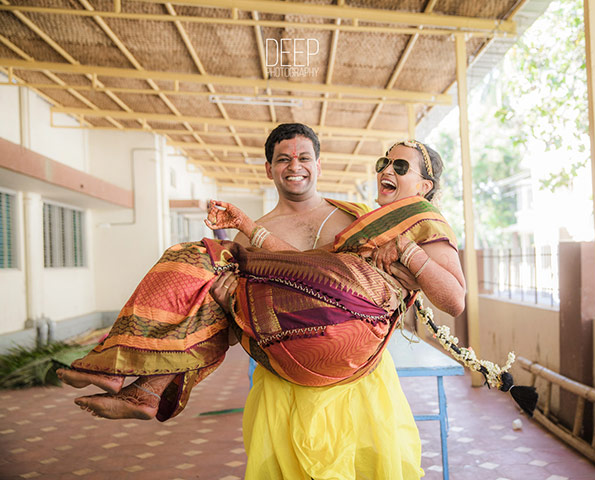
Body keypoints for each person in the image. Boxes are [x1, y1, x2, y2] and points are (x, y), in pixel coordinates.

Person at [58, 124, 464, 479]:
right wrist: (233, 296)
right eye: (283, 158)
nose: (294, 165)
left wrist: (408, 253)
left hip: (355, 377)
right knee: (202, 268)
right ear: (269, 169)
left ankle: (135, 379)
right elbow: (299, 272)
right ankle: (142, 385)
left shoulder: (357, 217)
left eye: (304, 157)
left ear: (319, 165)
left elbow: (334, 276)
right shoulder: (256, 237)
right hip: (282, 377)